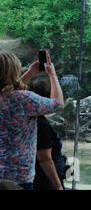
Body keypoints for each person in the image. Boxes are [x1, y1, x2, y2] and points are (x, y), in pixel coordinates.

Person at [0, 51, 64, 190]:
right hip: (18, 177)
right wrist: (52, 74)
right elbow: (58, 103)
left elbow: (8, 92)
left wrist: (29, 74)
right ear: (14, 71)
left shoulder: (9, 98)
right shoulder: (23, 99)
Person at [28, 76, 66, 190]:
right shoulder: (41, 124)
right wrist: (58, 186)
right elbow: (44, 158)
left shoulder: (31, 118)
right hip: (45, 179)